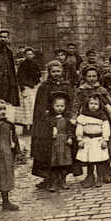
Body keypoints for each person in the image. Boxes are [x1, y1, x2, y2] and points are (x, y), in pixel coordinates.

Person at [31, 60, 77, 190]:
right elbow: (40, 107)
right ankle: (50, 178)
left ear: (62, 71)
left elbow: (72, 102)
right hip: (48, 123)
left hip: (64, 121)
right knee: (49, 153)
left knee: (64, 153)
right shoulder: (44, 87)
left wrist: (69, 116)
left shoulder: (67, 85)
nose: (56, 74)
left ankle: (62, 178)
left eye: (58, 71)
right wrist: (46, 119)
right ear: (49, 73)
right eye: (53, 71)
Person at [76, 94, 111, 186]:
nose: (93, 106)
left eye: (96, 104)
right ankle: (90, 177)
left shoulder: (102, 116)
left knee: (99, 160)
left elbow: (106, 128)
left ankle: (100, 177)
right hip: (87, 140)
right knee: (89, 161)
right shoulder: (83, 116)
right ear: (87, 104)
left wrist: (105, 140)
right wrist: (79, 139)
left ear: (100, 105)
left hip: (98, 140)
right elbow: (79, 128)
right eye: (91, 103)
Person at [43, 93, 75, 192]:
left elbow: (70, 130)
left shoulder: (66, 118)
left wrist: (70, 137)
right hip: (54, 144)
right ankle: (54, 182)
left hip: (64, 144)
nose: (60, 108)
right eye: (57, 106)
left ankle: (63, 181)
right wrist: (50, 134)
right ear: (53, 106)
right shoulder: (49, 118)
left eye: (62, 106)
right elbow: (45, 130)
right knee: (54, 163)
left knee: (64, 163)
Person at [12, 47, 41, 135]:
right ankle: (25, 127)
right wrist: (22, 87)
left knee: (33, 107)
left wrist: (36, 82)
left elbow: (38, 75)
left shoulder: (35, 64)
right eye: (28, 54)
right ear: (25, 55)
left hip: (33, 88)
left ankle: (32, 127)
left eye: (31, 54)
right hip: (25, 88)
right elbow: (19, 77)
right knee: (25, 108)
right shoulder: (22, 65)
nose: (30, 56)